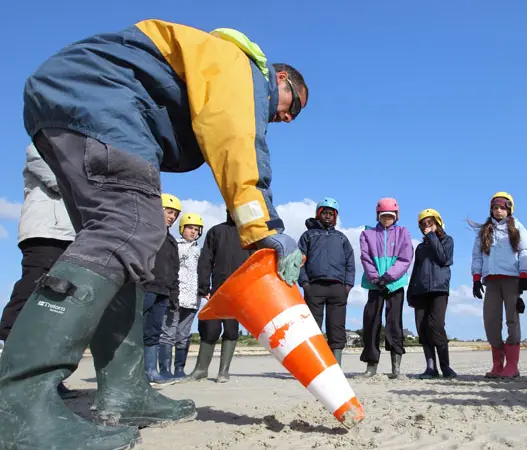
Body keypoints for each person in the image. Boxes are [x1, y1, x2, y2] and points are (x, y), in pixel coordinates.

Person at [0, 20, 308, 449]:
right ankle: (20, 406)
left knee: (124, 250)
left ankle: (125, 393)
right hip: (100, 103)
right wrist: (265, 229)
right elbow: (238, 143)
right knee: (128, 229)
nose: (288, 116)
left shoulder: (206, 61)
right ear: (278, 77)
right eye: (295, 102)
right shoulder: (242, 68)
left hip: (67, 100)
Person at [0, 143, 77, 399]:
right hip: (45, 232)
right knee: (33, 287)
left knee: (56, 305)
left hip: (70, 235)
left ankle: (45, 377)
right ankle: (7, 346)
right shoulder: (42, 146)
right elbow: (60, 181)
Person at [185, 211, 254, 383]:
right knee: (210, 328)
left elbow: (255, 263)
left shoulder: (250, 235)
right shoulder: (216, 231)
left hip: (239, 290)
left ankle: (224, 371)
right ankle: (201, 369)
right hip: (217, 288)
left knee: (231, 329)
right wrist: (203, 286)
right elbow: (205, 260)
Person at [471, 192, 527, 379]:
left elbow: (524, 250)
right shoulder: (484, 231)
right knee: (491, 321)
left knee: (512, 319)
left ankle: (512, 365)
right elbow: (477, 256)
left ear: (509, 209)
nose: (498, 211)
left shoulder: (517, 228)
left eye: (502, 208)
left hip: (512, 278)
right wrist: (476, 279)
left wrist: (524, 275)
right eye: (495, 208)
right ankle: (498, 363)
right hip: (491, 281)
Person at [359, 198, 413, 379]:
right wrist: (376, 278)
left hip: (394, 284)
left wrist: (388, 277)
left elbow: (405, 258)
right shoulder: (367, 234)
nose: (387, 219)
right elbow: (366, 258)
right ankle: (371, 365)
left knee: (394, 323)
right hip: (375, 285)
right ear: (378, 216)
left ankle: (395, 367)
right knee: (372, 322)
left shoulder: (403, 232)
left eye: (390, 216)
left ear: (396, 216)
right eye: (383, 216)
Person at [298, 198, 355, 367]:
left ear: (335, 217)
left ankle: (335, 366)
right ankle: (313, 366)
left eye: (331, 214)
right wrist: (305, 284)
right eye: (325, 213)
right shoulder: (308, 235)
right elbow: (299, 261)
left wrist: (348, 286)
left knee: (336, 328)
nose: (328, 216)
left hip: (338, 288)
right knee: (312, 327)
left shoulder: (341, 238)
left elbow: (350, 262)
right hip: (314, 287)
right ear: (318, 214)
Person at [408, 208, 456, 379]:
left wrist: (432, 237)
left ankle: (446, 367)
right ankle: (430, 368)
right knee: (422, 328)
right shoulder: (420, 248)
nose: (427, 227)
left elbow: (443, 258)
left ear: (438, 223)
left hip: (439, 290)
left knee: (436, 327)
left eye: (430, 223)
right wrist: (410, 292)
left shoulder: (447, 241)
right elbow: (416, 270)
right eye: (423, 224)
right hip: (420, 291)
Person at [160, 212, 204, 380]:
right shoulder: (174, 245)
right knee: (168, 333)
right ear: (182, 228)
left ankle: (179, 369)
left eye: (196, 229)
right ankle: (164, 370)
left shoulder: (200, 251)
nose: (193, 232)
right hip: (176, 295)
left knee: (183, 335)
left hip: (193, 299)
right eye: (190, 228)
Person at [144, 193, 181, 385]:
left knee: (154, 331)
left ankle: (151, 371)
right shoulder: (147, 232)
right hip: (145, 287)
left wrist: (174, 295)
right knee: (136, 330)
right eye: (169, 212)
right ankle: (133, 373)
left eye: (175, 214)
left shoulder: (172, 241)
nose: (172, 217)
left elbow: (175, 270)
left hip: (164, 291)